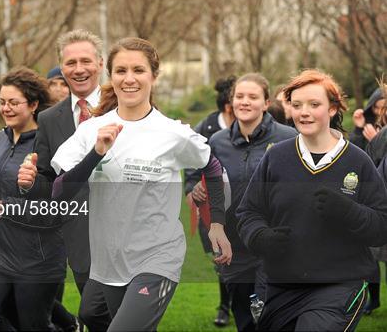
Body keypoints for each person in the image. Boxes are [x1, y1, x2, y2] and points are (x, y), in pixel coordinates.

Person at [49, 37, 228, 330]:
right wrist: (96, 153)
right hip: (109, 261)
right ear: (111, 76)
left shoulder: (173, 133)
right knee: (95, 316)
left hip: (158, 256)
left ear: (154, 77)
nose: (129, 79)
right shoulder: (90, 130)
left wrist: (217, 224)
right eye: (120, 71)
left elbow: (211, 165)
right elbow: (60, 192)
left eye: (138, 70)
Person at [236, 69, 387, 331]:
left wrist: (348, 211)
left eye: (314, 104)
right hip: (282, 286)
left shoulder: (357, 161)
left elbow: (382, 227)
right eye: (296, 105)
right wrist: (260, 236)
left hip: (341, 285)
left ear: (332, 109)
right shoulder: (276, 158)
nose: (303, 112)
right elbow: (248, 212)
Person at [21, 29, 111, 331]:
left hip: (124, 228)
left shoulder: (123, 107)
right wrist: (30, 181)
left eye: (86, 61)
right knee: (93, 310)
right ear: (61, 66)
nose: (79, 69)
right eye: (70, 63)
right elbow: (46, 178)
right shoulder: (48, 119)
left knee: (126, 311)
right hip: (77, 234)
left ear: (100, 63)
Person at [0, 67, 66, 331]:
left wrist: (9, 207)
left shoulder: (52, 145)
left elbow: (60, 208)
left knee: (33, 326)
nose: (6, 108)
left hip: (37, 258)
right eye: (2, 102)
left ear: (33, 104)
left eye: (13, 102)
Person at [193, 73, 296, 331]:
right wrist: (197, 190)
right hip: (233, 247)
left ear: (266, 102)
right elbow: (209, 182)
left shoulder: (289, 137)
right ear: (231, 102)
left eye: (253, 97)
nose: (245, 102)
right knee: (245, 317)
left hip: (275, 243)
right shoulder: (217, 142)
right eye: (240, 96)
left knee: (270, 315)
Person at [184, 75, 235, 327]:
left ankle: (251, 304)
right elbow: (191, 170)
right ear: (228, 105)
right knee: (222, 259)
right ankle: (225, 306)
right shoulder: (206, 128)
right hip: (215, 209)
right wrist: (193, 188)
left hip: (247, 207)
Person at [363, 81, 387, 315]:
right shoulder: (377, 135)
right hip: (379, 207)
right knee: (371, 256)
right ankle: (374, 298)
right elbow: (367, 165)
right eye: (379, 106)